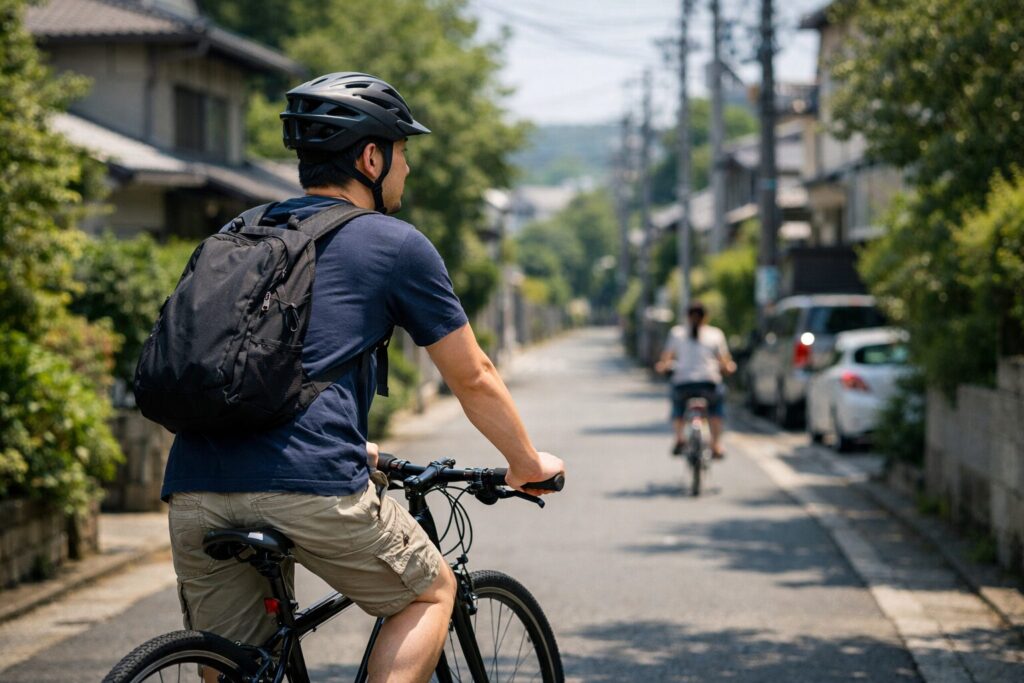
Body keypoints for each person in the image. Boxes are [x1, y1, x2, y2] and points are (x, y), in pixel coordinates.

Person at [159, 72, 564, 683]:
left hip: (193, 487)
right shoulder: (392, 243)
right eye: (403, 153)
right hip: (307, 486)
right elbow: (474, 376)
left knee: (240, 669)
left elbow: (263, 366)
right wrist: (526, 462)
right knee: (429, 594)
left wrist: (354, 443)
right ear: (371, 157)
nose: (406, 169)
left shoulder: (241, 231)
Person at [655, 301, 736, 458]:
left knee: (678, 407)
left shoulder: (676, 333)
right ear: (706, 317)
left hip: (683, 385)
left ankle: (679, 438)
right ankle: (716, 444)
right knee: (716, 410)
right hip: (708, 384)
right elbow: (725, 362)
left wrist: (662, 366)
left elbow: (666, 359)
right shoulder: (716, 334)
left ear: (687, 316)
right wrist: (728, 368)